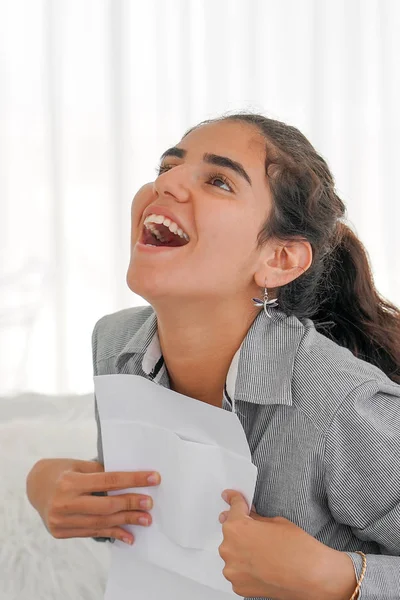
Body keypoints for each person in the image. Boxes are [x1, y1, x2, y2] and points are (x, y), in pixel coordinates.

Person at [26, 113, 400, 600]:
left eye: (219, 181)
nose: (167, 184)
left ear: (278, 259)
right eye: (167, 167)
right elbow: (147, 517)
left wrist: (336, 577)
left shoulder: (342, 405)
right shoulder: (116, 345)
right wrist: (46, 484)